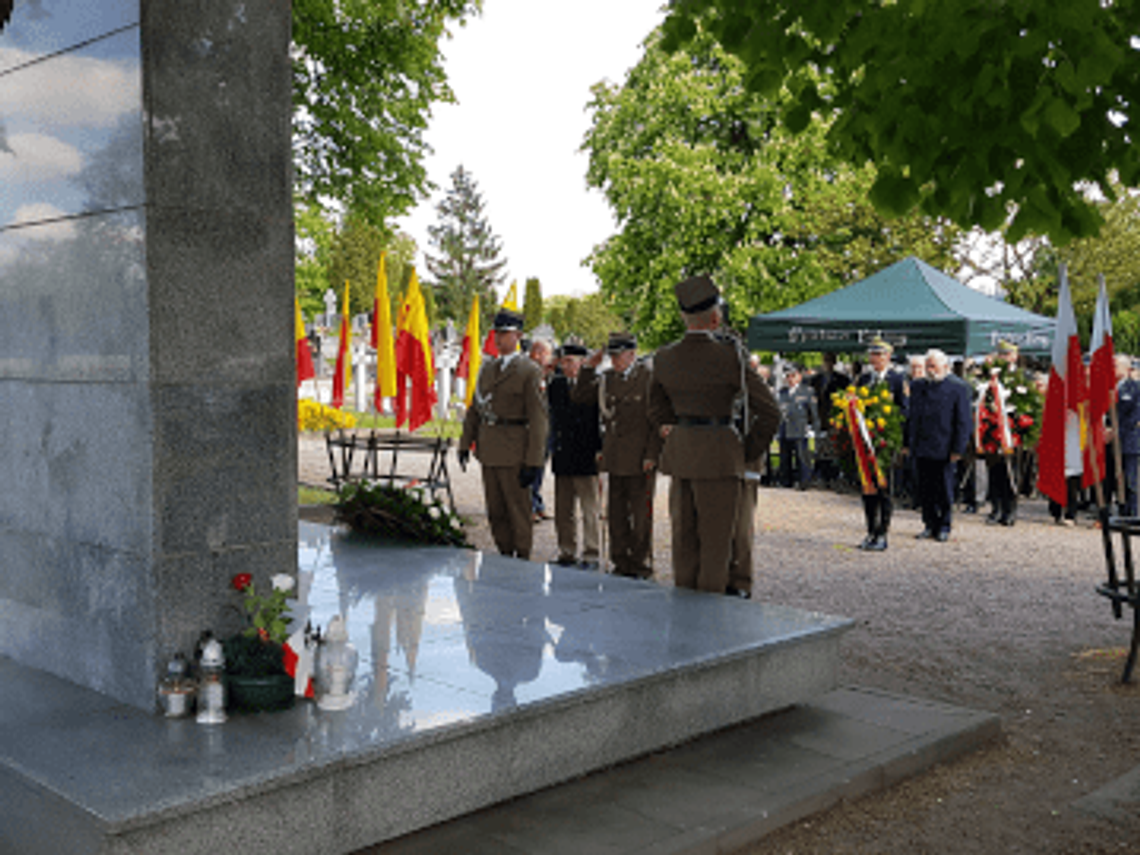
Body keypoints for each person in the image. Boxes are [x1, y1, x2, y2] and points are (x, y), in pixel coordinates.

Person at [649, 275, 781, 594]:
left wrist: (674, 426)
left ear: (683, 316)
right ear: (715, 316)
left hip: (682, 454)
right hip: (722, 454)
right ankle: (709, 621)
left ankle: (684, 611)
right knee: (716, 546)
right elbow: (771, 411)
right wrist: (747, 448)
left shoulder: (665, 357)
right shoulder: (729, 356)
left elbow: (656, 408)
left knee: (684, 541)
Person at [457, 309, 549, 559]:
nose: (499, 338)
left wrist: (534, 461)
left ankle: (522, 558)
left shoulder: (529, 370)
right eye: (497, 333)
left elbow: (539, 420)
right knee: (495, 510)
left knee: (517, 510)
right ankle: (504, 555)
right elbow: (475, 409)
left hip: (515, 450)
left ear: (518, 335)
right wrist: (465, 443)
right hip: (490, 448)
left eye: (505, 333)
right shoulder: (488, 368)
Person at [573, 331, 660, 578]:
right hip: (614, 457)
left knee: (641, 517)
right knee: (616, 515)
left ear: (632, 354)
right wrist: (589, 367)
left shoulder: (648, 378)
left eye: (618, 355)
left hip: (640, 458)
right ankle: (620, 562)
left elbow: (657, 419)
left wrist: (652, 454)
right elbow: (580, 396)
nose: (613, 360)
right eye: (611, 355)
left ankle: (642, 565)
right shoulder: (607, 378)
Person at [906, 349, 973, 542]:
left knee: (944, 489)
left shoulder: (958, 387)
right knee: (925, 489)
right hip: (922, 445)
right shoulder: (918, 386)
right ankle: (929, 523)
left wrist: (958, 448)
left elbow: (963, 421)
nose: (929, 370)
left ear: (945, 366)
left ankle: (944, 525)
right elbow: (911, 417)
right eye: (927, 366)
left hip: (944, 447)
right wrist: (908, 443)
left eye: (933, 366)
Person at [546, 340, 602, 568]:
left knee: (589, 509)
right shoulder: (556, 385)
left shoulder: (594, 384)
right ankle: (566, 551)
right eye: (565, 361)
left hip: (586, 454)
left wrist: (599, 451)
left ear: (582, 363)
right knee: (563, 510)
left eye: (572, 361)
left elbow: (599, 421)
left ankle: (591, 553)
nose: (567, 366)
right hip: (563, 454)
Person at [853, 338, 907, 551]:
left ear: (888, 357)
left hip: (885, 443)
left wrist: (897, 436)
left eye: (879, 355)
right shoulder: (864, 379)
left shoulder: (897, 379)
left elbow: (905, 410)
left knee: (884, 489)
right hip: (865, 444)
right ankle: (870, 531)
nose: (874, 359)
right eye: (872, 355)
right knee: (867, 489)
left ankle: (882, 533)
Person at [527, 337, 555, 523]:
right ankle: (528, 506)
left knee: (540, 470)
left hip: (547, 429)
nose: (550, 359)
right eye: (547, 354)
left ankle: (537, 503)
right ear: (537, 354)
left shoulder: (548, 374)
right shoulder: (528, 372)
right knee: (530, 468)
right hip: (531, 430)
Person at [777, 364, 818, 489]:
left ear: (799, 377)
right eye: (788, 376)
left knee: (802, 457)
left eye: (793, 375)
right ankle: (786, 481)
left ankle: (804, 482)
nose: (790, 379)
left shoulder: (807, 391)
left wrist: (814, 428)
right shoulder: (782, 392)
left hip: (800, 428)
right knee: (785, 457)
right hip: (785, 427)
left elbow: (813, 413)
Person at [1114, 354, 1140, 516]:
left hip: (1129, 439)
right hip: (1111, 439)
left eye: (1115, 366)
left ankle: (1133, 513)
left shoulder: (1135, 387)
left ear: (1125, 369)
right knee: (1117, 479)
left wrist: (1116, 431)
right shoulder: (1110, 387)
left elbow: (1135, 415)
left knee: (1131, 480)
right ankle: (1121, 510)